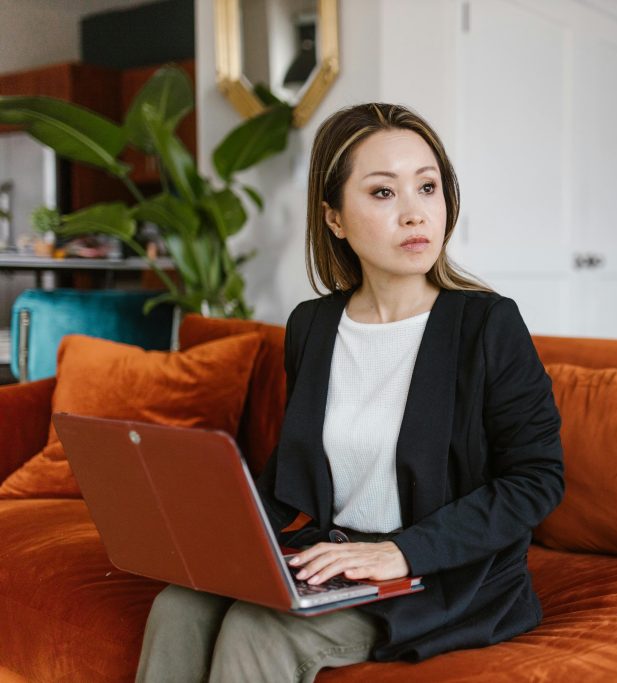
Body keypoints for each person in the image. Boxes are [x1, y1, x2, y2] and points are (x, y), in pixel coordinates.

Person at [135, 102, 565, 682]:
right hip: (336, 554)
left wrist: (401, 551)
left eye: (428, 187)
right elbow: (296, 469)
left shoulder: (488, 326)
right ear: (334, 217)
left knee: (258, 629)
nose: (415, 214)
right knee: (179, 603)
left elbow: (536, 478)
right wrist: (218, 538)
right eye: (384, 193)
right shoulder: (313, 325)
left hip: (439, 573)